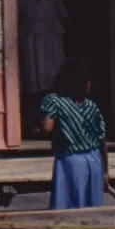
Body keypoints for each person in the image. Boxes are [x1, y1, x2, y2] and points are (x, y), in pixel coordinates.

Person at [38, 65, 108, 209]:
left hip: (72, 161)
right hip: (95, 160)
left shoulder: (55, 101)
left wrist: (38, 129)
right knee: (92, 206)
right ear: (83, 84)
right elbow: (102, 140)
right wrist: (105, 171)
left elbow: (47, 127)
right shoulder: (92, 107)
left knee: (71, 206)